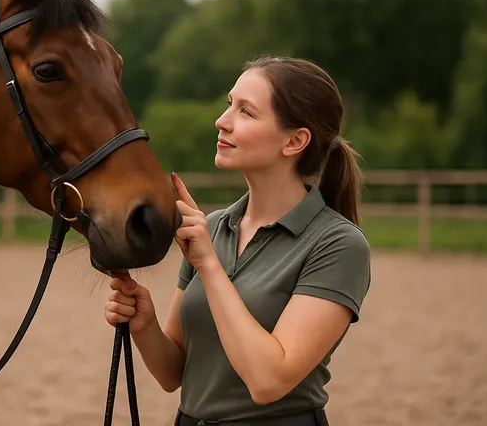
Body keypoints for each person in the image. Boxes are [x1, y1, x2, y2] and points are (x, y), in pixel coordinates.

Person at [104, 55, 371, 426]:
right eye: (230, 104)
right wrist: (144, 325)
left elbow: (268, 381)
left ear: (295, 140)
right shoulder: (212, 228)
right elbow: (173, 374)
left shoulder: (338, 245)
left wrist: (209, 266)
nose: (222, 120)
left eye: (246, 112)